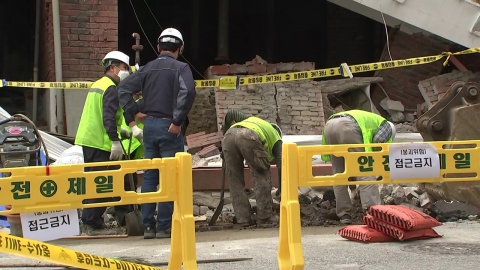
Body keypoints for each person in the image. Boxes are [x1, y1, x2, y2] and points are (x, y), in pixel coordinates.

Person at [118, 28, 196, 239]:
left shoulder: (146, 69)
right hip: (170, 127)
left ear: (158, 47)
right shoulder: (181, 68)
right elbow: (187, 92)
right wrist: (178, 120)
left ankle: (148, 226)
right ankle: (163, 227)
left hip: (150, 128)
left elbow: (123, 89)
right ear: (180, 48)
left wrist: (132, 114)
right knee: (169, 176)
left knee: (151, 175)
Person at [75, 51, 140, 235]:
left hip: (91, 140)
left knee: (97, 182)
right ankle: (91, 223)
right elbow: (108, 117)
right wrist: (115, 141)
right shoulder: (111, 87)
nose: (126, 72)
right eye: (124, 68)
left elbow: (102, 116)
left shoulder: (99, 85)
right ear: (113, 68)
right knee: (101, 184)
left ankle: (94, 220)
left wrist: (121, 132)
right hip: (100, 142)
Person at [320, 109, 396, 224]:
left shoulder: (372, 119)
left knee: (339, 174)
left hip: (329, 126)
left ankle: (344, 214)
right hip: (348, 126)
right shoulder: (386, 126)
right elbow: (379, 141)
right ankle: (373, 212)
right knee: (365, 171)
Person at [221, 109, 282, 227]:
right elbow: (282, 165)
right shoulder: (277, 138)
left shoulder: (253, 122)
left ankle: (242, 219)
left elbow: (229, 114)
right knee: (261, 174)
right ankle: (265, 216)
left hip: (228, 136)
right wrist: (282, 190)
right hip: (247, 135)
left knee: (234, 179)